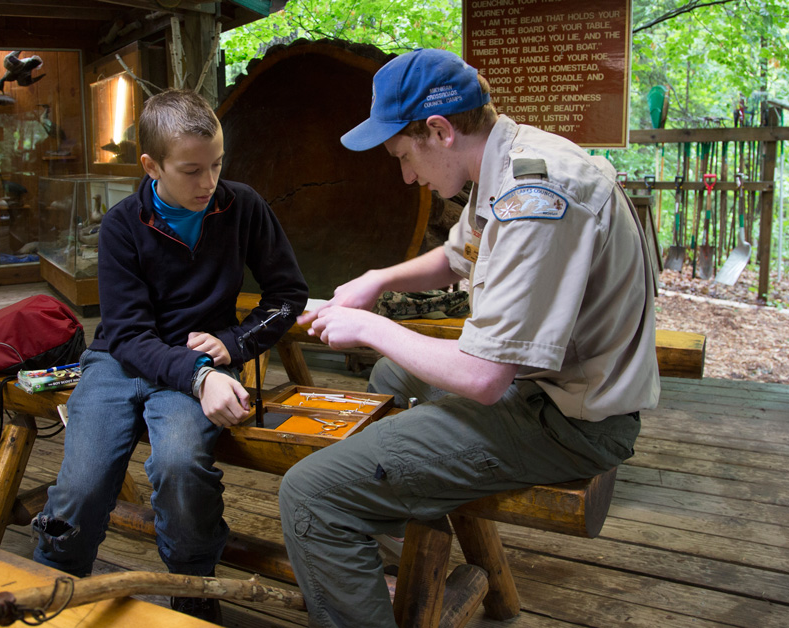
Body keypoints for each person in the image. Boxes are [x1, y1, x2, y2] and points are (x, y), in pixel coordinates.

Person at [278, 49, 660, 627]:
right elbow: (457, 257)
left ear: (439, 131)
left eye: (404, 157)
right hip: (542, 389)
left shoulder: (537, 196)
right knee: (390, 376)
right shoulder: (504, 164)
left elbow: (483, 378)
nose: (408, 176)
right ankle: (385, 540)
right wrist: (379, 280)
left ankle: (351, 521)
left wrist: (371, 326)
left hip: (570, 421)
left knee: (310, 492)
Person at [31, 88, 307, 624]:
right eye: (192, 170)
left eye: (218, 164)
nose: (209, 182)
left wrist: (235, 343)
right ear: (151, 166)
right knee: (82, 483)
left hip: (201, 359)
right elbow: (129, 335)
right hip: (121, 361)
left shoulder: (243, 206)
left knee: (180, 466)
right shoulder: (121, 225)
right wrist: (201, 377)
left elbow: (287, 295)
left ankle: (192, 581)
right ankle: (54, 577)